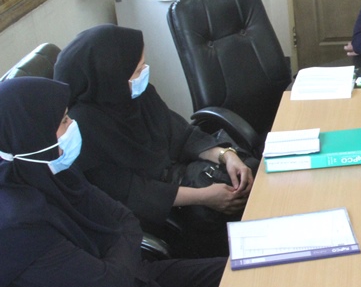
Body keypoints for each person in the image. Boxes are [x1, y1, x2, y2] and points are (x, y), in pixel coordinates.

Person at [0, 77, 225, 287]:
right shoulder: (15, 225)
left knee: (235, 274)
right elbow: (110, 286)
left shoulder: (55, 171)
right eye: (64, 121)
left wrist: (107, 265)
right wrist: (110, 264)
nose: (73, 125)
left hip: (131, 280)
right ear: (32, 133)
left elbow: (126, 219)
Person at [54, 24, 254, 257]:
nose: (144, 73)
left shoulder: (136, 94)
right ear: (111, 76)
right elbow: (133, 194)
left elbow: (182, 134)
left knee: (251, 174)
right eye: (137, 70)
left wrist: (226, 155)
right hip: (157, 214)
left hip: (183, 180)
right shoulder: (84, 128)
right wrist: (205, 197)